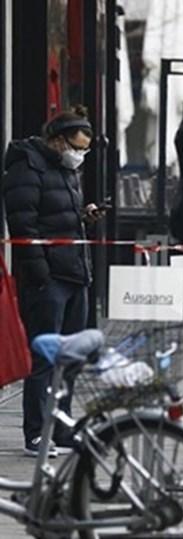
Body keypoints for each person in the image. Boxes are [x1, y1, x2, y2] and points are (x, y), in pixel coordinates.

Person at [2, 106, 107, 457]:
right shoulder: (27, 166)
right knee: (44, 358)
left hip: (75, 272)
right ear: (58, 141)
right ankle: (37, 432)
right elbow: (24, 224)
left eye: (84, 150)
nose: (79, 156)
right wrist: (41, 276)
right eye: (76, 148)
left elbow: (57, 215)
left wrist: (84, 216)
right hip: (49, 279)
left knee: (71, 358)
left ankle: (61, 427)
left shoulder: (64, 169)